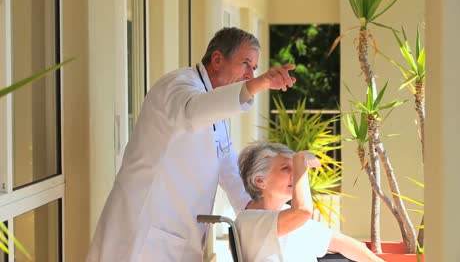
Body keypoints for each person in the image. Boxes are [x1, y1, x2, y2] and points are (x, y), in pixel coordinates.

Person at [87, 27, 297, 262]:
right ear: (217, 59)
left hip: (178, 232)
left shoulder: (216, 101)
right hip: (145, 231)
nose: (250, 74)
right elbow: (191, 112)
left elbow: (225, 162)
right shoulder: (177, 85)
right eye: (245, 64)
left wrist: (247, 204)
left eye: (254, 69)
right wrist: (259, 84)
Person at [235, 142, 385, 262]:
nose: (295, 174)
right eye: (285, 168)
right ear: (260, 181)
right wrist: (300, 160)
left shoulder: (287, 216)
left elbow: (344, 244)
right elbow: (302, 211)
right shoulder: (249, 221)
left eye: (296, 168)